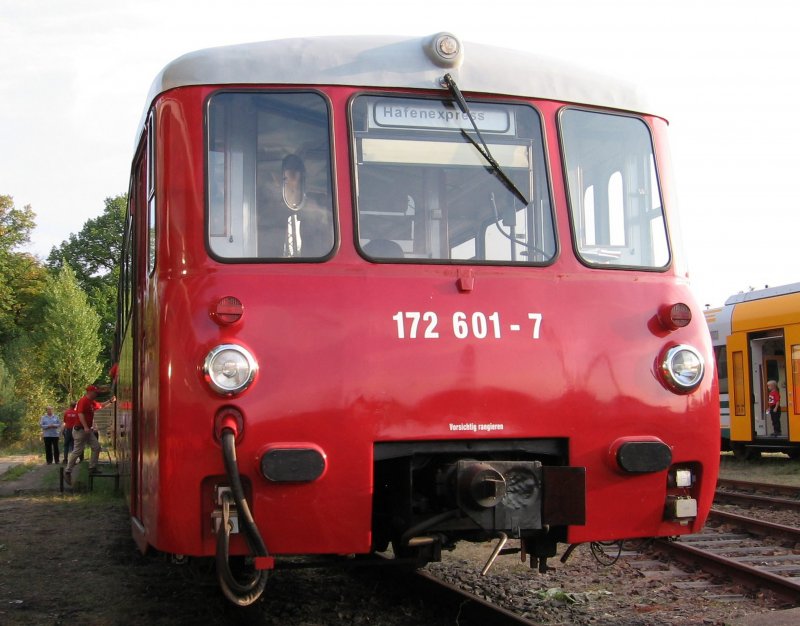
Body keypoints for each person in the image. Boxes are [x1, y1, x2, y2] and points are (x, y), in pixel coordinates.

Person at [63, 385, 115, 485]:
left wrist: (111, 401)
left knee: (96, 447)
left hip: (87, 430)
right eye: (95, 392)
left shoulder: (92, 402)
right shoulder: (83, 401)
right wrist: (86, 426)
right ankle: (67, 471)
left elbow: (101, 406)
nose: (96, 394)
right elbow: (80, 414)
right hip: (80, 430)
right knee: (78, 451)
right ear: (89, 392)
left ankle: (92, 468)